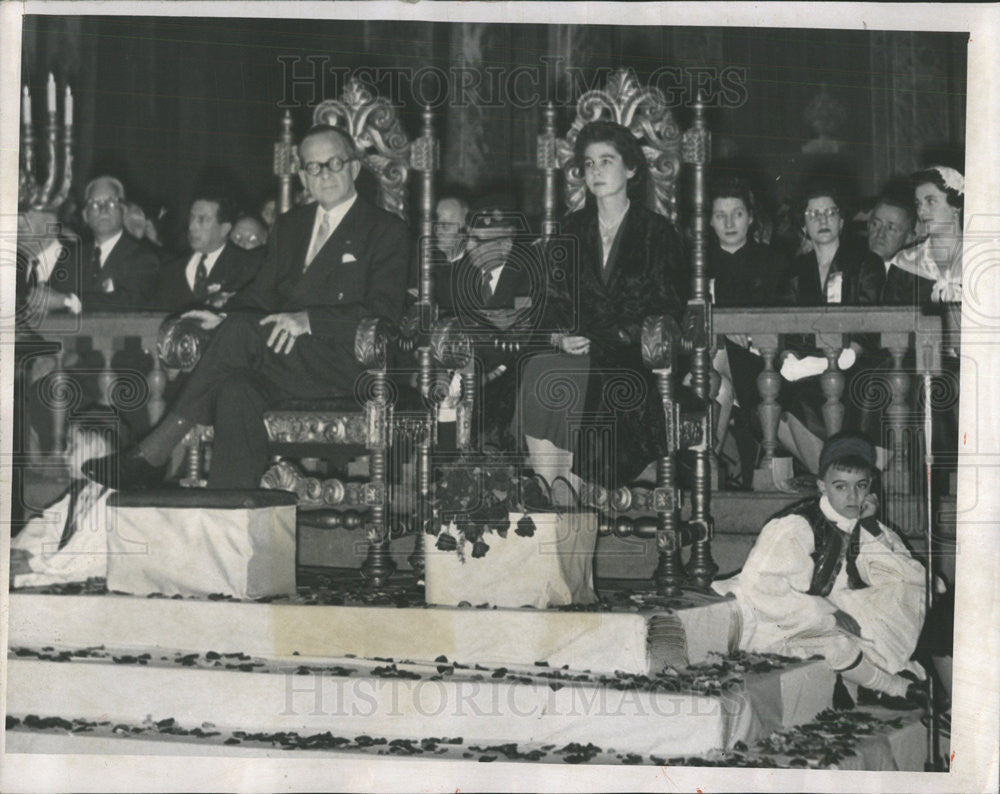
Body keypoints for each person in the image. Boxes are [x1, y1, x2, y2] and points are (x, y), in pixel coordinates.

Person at [84, 124, 411, 490]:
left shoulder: (385, 230)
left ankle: (154, 451)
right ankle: (231, 519)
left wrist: (309, 320)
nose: (325, 174)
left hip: (346, 363)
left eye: (334, 163)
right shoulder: (291, 226)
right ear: (303, 175)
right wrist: (220, 317)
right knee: (236, 390)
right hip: (283, 360)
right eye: (314, 167)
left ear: (353, 167)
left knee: (240, 333)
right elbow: (261, 296)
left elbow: (385, 313)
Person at [519, 120, 686, 495]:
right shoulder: (569, 230)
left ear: (631, 168)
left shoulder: (657, 232)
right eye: (589, 164)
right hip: (573, 350)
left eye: (606, 161)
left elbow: (665, 306)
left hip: (631, 356)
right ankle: (557, 500)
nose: (596, 172)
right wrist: (559, 336)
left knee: (585, 384)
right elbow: (550, 298)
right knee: (540, 369)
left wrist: (605, 339)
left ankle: (576, 499)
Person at [713, 433, 927, 709]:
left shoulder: (853, 520)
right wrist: (827, 611)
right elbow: (761, 587)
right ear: (822, 486)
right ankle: (895, 688)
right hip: (768, 616)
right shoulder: (797, 526)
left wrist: (870, 524)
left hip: (815, 607)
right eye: (840, 487)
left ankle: (872, 681)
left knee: (890, 606)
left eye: (860, 486)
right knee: (835, 642)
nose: (852, 496)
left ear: (870, 486)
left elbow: (903, 576)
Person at [777, 185, 885, 473]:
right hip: (809, 365)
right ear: (804, 224)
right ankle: (829, 481)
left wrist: (849, 353)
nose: (822, 220)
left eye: (829, 212)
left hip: (857, 363)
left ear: (841, 221)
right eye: (814, 214)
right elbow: (787, 323)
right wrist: (791, 356)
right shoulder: (796, 270)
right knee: (787, 398)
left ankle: (837, 480)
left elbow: (871, 320)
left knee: (841, 390)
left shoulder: (865, 262)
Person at [437, 198, 542, 451]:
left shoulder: (528, 276)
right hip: (460, 371)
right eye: (469, 237)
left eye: (479, 241)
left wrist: (490, 373)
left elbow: (525, 335)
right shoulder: (456, 274)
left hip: (510, 375)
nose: (470, 246)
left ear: (505, 244)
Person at [706, 176, 789, 486]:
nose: (729, 222)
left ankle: (710, 465)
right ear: (709, 221)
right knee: (712, 377)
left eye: (737, 213)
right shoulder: (697, 264)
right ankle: (705, 466)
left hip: (758, 361)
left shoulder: (774, 263)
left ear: (751, 217)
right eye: (720, 215)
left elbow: (781, 319)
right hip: (709, 357)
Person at [10, 407, 130, 588]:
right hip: (61, 568)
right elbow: (48, 526)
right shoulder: (82, 491)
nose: (64, 454)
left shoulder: (113, 499)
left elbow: (83, 556)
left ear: (98, 449)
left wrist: (34, 565)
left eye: (73, 445)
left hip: (90, 578)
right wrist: (27, 551)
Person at [157, 190, 264, 311]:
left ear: (224, 229)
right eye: (191, 217)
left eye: (202, 219)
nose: (192, 227)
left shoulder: (249, 268)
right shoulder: (170, 270)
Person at [883, 166, 963, 306]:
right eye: (917, 203)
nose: (921, 211)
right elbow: (891, 322)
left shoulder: (983, 259)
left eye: (930, 201)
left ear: (956, 206)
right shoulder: (904, 263)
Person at [79, 175, 160, 309]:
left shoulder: (144, 258)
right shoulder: (70, 259)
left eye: (111, 203)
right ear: (85, 215)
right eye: (94, 203)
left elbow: (131, 302)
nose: (103, 209)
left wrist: (70, 301)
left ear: (124, 211)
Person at [867, 189, 917, 273]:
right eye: (875, 224)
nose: (880, 234)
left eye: (891, 228)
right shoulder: (849, 271)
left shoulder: (914, 280)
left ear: (909, 238)